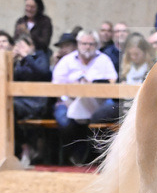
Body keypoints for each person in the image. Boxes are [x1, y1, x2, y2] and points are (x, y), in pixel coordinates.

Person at [51, 29, 117, 163]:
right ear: (78, 44)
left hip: (98, 103)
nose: (87, 47)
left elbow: (112, 81)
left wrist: (93, 86)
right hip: (68, 101)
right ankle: (73, 155)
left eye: (91, 44)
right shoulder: (67, 61)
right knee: (65, 122)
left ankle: (95, 157)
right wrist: (70, 93)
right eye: (84, 44)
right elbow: (56, 85)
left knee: (102, 118)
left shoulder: (104, 60)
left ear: (96, 45)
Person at [12, 32, 51, 166]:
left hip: (36, 102)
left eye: (23, 46)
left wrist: (26, 57)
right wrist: (12, 61)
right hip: (18, 101)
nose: (20, 49)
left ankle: (25, 147)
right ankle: (23, 146)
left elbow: (43, 73)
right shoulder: (18, 62)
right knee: (6, 109)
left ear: (32, 46)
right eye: (18, 47)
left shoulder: (41, 56)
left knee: (8, 107)